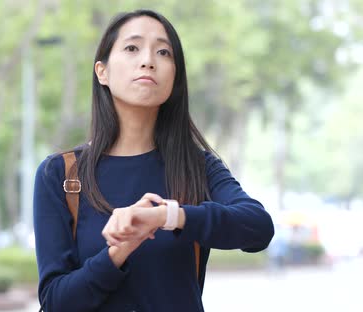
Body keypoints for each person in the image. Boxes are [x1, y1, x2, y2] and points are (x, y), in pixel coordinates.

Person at [33, 9, 274, 312]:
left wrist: (167, 217)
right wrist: (119, 251)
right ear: (102, 71)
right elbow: (56, 301)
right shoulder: (61, 175)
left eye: (163, 52)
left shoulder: (198, 167)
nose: (148, 60)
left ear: (174, 76)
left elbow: (258, 228)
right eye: (132, 48)